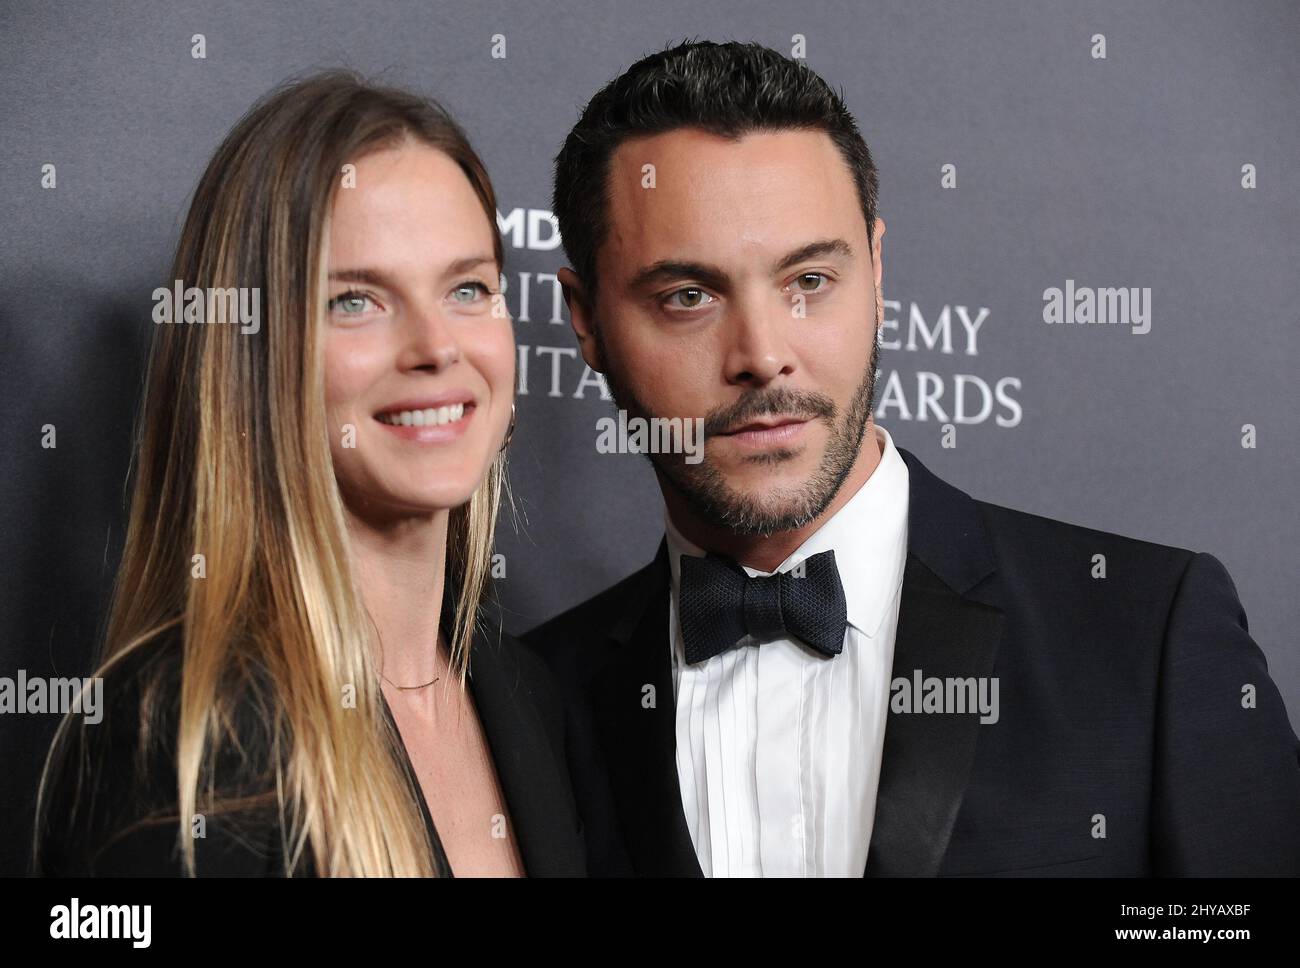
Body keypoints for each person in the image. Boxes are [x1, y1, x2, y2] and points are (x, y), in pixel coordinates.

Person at [525, 40, 1300, 876]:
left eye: (809, 281)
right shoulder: (531, 702)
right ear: (587, 321)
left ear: (878, 272)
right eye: (687, 297)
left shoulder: (1146, 635)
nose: (762, 353)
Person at [34, 71, 585, 877]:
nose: (436, 346)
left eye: (468, 288)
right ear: (250, 358)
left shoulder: (533, 697)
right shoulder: (174, 735)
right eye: (356, 301)